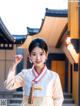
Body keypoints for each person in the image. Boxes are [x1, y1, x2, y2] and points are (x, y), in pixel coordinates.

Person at [4, 38, 64, 106]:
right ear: (30, 56)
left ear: (46, 55)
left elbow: (58, 98)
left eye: (41, 54)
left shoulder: (54, 76)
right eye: (34, 54)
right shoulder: (25, 74)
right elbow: (8, 85)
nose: (38, 58)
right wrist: (14, 64)